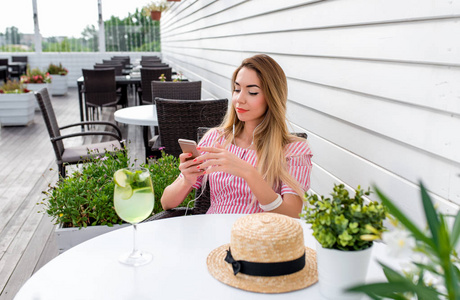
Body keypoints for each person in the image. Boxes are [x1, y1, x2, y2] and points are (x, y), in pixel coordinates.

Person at [161, 54, 312, 218]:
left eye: (252, 92)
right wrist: (186, 180)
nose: (239, 99)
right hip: (213, 234)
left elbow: (293, 215)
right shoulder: (215, 139)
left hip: (261, 239)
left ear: (272, 97)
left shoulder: (294, 149)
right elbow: (166, 203)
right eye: (237, 89)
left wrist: (249, 172)